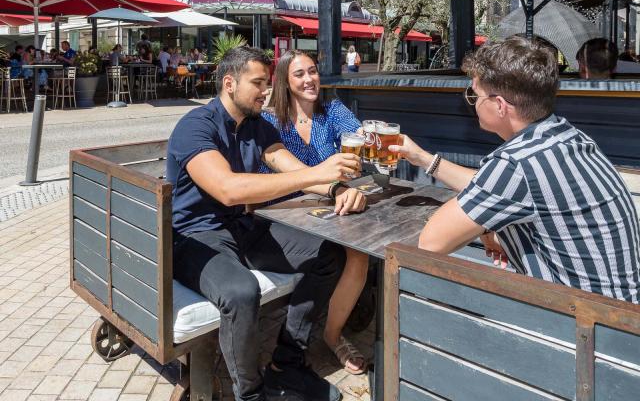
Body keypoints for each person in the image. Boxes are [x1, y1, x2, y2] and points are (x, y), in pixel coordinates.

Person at [167, 46, 365, 401]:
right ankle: (251, 393)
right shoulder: (195, 126)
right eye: (258, 83)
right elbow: (228, 189)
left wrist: (334, 187)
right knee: (242, 292)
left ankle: (287, 362)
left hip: (242, 228)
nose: (266, 92)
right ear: (229, 83)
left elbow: (290, 167)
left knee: (328, 255)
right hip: (194, 237)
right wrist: (319, 173)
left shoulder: (256, 125)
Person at [391, 36, 640, 302]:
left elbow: (431, 242)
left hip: (585, 328)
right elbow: (492, 186)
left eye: (475, 94)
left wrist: (485, 227)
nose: (473, 102)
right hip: (619, 316)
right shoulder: (566, 136)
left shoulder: (517, 163)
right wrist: (423, 158)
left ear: (500, 105)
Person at [261, 50, 370, 375]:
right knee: (338, 253)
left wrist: (367, 141)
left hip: (328, 208)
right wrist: (333, 180)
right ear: (284, 80)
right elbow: (281, 169)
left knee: (360, 253)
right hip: (285, 213)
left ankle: (332, 335)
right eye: (299, 74)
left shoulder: (331, 111)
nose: (310, 79)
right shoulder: (270, 120)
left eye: (313, 71)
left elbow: (357, 134)